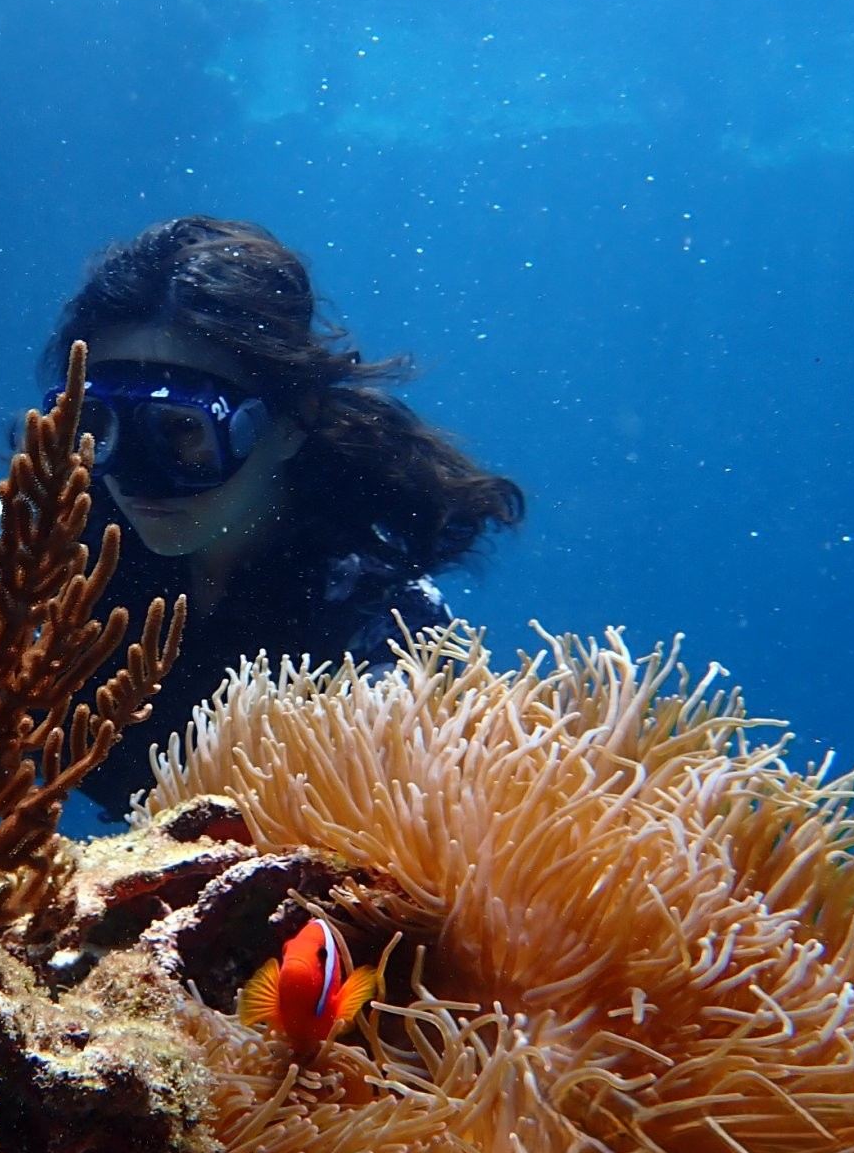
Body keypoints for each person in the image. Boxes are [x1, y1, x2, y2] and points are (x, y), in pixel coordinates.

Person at [43, 215, 524, 818]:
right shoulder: (46, 550)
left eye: (184, 431)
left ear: (294, 420)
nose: (134, 473)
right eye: (101, 426)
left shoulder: (381, 622)